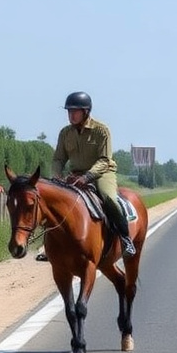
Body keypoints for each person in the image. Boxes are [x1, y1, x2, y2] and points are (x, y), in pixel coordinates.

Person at [51, 91, 136, 260]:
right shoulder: (65, 133)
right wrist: (57, 176)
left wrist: (87, 177)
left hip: (101, 173)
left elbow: (105, 160)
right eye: (69, 111)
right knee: (53, 202)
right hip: (75, 174)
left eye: (75, 111)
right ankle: (50, 247)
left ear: (86, 111)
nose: (71, 115)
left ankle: (126, 239)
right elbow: (58, 158)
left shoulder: (101, 130)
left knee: (108, 197)